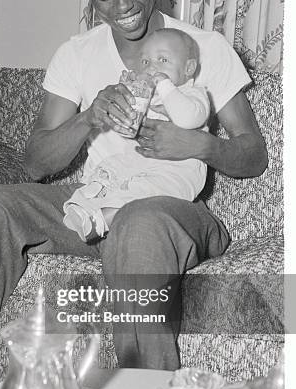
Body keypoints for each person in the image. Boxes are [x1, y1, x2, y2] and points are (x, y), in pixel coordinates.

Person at [0, 0, 267, 389]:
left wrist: (197, 145)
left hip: (170, 210)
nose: (122, 5)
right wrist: (89, 118)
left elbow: (253, 152)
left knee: (138, 221)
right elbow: (34, 164)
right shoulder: (78, 54)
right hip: (94, 205)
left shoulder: (203, 48)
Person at [63, 28, 211, 241]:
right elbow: (130, 133)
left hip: (180, 170)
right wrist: (130, 100)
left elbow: (188, 119)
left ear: (189, 68)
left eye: (162, 60)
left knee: (145, 190)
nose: (152, 68)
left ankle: (106, 217)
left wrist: (164, 85)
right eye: (145, 62)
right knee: (112, 167)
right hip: (142, 159)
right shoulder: (152, 98)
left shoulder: (194, 94)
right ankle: (85, 204)